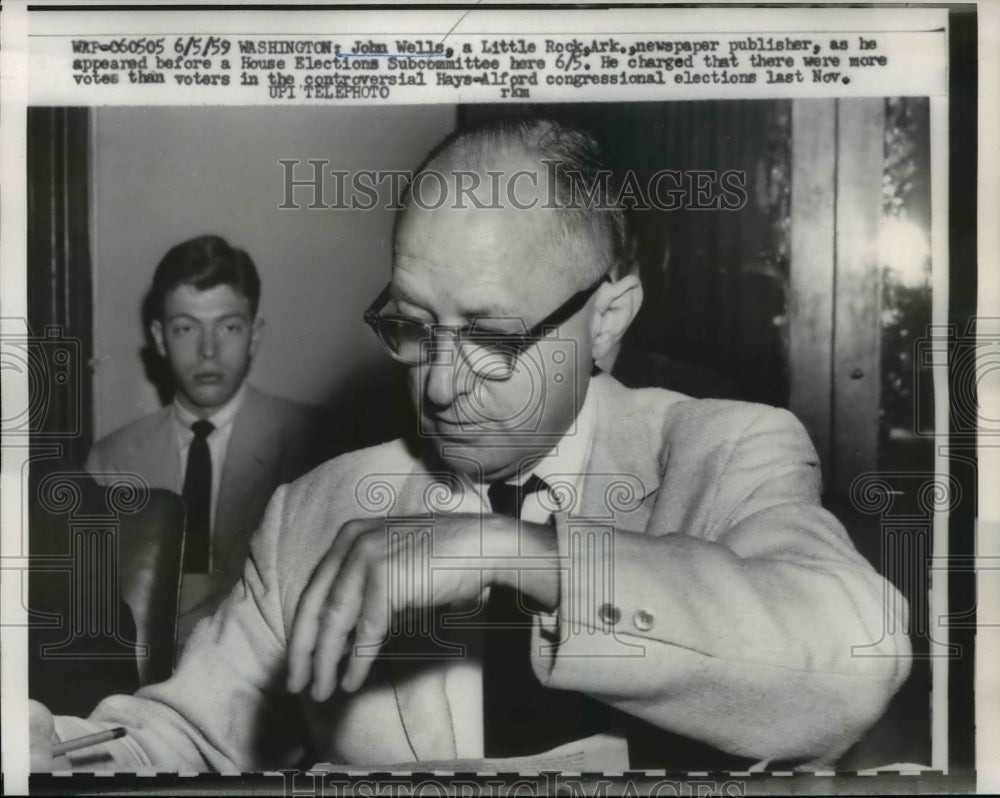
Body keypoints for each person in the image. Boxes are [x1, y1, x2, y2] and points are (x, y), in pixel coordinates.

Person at [33, 119, 910, 772]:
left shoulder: (724, 452)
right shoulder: (317, 509)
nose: (441, 386)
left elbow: (848, 665)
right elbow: (186, 733)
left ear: (608, 319)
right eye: (413, 327)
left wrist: (514, 552)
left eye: (493, 340)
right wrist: (48, 758)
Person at [85, 235, 332, 649]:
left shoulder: (317, 443)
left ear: (254, 335)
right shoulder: (110, 460)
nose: (208, 350)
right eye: (186, 328)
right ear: (160, 338)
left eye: (229, 327)